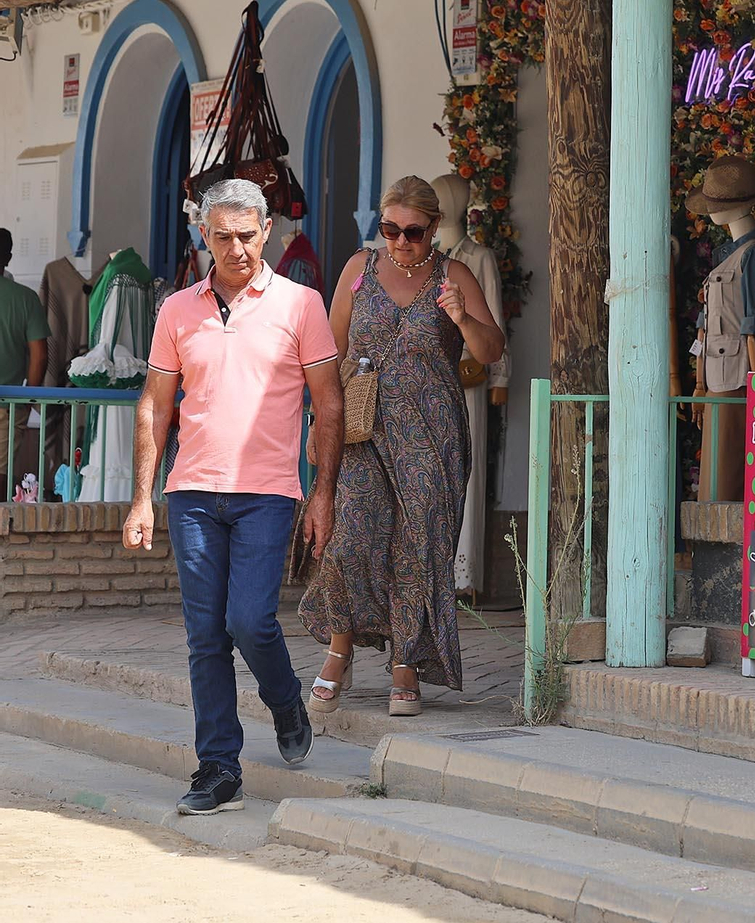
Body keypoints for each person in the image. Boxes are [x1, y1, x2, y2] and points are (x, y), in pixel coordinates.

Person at [124, 179, 344, 816]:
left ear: (267, 230)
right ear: (204, 236)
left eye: (247, 235)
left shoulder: (302, 305)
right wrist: (142, 498)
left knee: (249, 621)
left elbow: (327, 403)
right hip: (191, 492)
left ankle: (285, 703)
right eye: (223, 236)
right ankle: (218, 766)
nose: (237, 248)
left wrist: (324, 493)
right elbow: (154, 406)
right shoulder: (176, 311)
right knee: (204, 636)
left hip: (268, 494)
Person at [298, 176, 504, 717]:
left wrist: (460, 317)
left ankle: (405, 665)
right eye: (389, 229)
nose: (399, 242)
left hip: (431, 434)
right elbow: (329, 351)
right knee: (351, 538)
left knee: (418, 549)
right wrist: (319, 424)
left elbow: (491, 349)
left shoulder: (452, 275)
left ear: (433, 229)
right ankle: (339, 650)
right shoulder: (357, 270)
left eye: (412, 232)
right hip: (362, 429)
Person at [0, 228, 49, 475]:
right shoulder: (26, 299)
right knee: (1, 474)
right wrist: (27, 398)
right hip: (8, 404)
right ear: (8, 258)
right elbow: (39, 356)